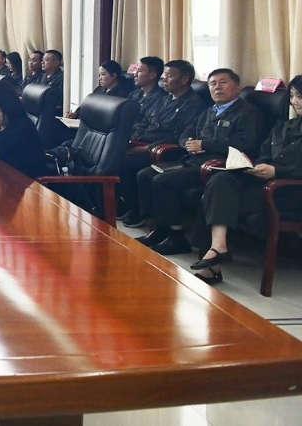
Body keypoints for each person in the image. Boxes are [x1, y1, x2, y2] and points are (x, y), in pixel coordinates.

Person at [135, 69, 264, 256]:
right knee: (145, 174)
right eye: (212, 84)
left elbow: (247, 144)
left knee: (163, 181)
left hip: (216, 168)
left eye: (223, 82)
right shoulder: (209, 111)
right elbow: (187, 132)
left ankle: (177, 237)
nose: (217, 87)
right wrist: (187, 143)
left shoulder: (248, 113)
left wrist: (205, 144)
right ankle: (160, 229)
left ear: (237, 88)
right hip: (193, 161)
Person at [188, 75, 302, 285]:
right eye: (293, 96)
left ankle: (213, 265)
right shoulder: (285, 126)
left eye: (300, 97)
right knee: (220, 181)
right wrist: (258, 166)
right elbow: (265, 152)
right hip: (266, 184)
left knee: (216, 197)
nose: (295, 102)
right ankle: (218, 248)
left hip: (289, 191)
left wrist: (277, 171)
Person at [120, 59, 208, 228]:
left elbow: (179, 137)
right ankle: (129, 206)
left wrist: (146, 148)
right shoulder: (165, 99)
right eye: (164, 75)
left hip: (167, 151)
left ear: (184, 79)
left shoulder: (193, 104)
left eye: (169, 76)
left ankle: (138, 210)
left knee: (127, 164)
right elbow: (146, 122)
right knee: (113, 155)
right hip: (145, 141)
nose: (164, 79)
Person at [66, 60, 133, 119]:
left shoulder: (121, 94)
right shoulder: (100, 89)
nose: (99, 78)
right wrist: (75, 114)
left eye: (103, 74)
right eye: (99, 75)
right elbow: (88, 104)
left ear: (113, 76)